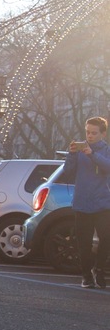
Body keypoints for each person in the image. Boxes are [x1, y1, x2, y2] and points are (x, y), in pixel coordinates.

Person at [64, 116, 110, 289]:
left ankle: (99, 268)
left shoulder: (105, 150)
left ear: (103, 134)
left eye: (94, 133)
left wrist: (93, 155)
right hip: (82, 203)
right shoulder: (79, 150)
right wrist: (72, 154)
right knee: (83, 242)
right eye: (87, 132)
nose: (89, 136)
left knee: (106, 237)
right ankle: (86, 275)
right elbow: (68, 172)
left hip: (103, 203)